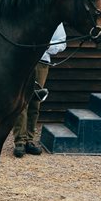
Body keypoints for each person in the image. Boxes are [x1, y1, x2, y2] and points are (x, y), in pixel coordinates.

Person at [13, 23, 67, 158]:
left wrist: (47, 46)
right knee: (21, 100)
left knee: (35, 101)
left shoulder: (56, 21)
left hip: (42, 62)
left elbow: (62, 43)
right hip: (21, 60)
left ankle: (29, 140)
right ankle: (19, 141)